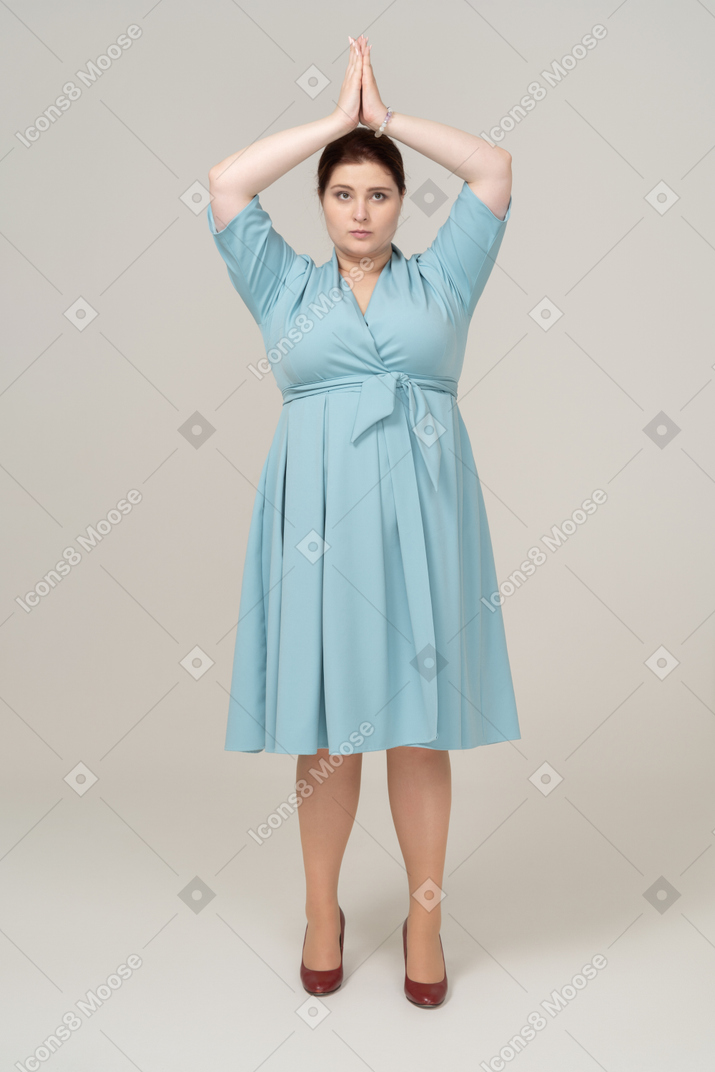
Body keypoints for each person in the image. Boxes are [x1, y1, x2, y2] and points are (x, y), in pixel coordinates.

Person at [207, 33, 520, 1007]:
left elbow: (494, 169)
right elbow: (224, 183)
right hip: (319, 526)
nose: (360, 209)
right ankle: (320, 909)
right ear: (321, 204)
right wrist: (333, 128)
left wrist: (386, 123)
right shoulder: (285, 284)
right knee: (329, 731)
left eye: (378, 191)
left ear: (401, 203)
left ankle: (424, 913)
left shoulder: (443, 278)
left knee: (417, 731)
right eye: (343, 192)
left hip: (425, 523)